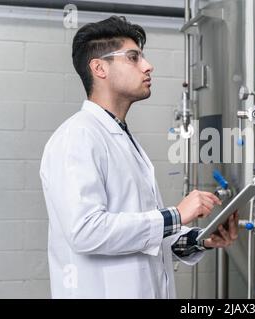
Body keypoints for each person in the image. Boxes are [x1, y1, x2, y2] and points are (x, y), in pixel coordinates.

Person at [39, 16, 239, 299]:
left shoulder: (121, 138)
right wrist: (176, 215)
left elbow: (146, 238)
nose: (148, 66)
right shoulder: (77, 137)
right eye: (133, 57)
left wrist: (201, 239)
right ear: (99, 68)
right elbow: (85, 230)